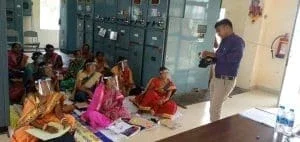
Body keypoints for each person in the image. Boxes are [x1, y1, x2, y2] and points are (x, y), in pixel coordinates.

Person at [202, 19, 245, 122]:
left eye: (219, 30)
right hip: (216, 78)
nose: (218, 34)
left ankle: (215, 133)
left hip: (225, 80)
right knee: (213, 106)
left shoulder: (237, 42)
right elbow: (219, 57)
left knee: (214, 109)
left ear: (226, 27)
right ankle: (213, 128)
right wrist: (209, 59)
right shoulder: (224, 41)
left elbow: (233, 59)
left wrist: (212, 54)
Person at [11, 78, 76, 142]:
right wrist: (45, 127)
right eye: (44, 84)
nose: (47, 87)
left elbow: (58, 112)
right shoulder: (31, 100)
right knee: (23, 135)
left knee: (70, 119)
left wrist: (63, 120)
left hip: (49, 118)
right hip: (35, 122)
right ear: (37, 86)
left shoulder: (53, 95)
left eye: (48, 84)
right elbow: (29, 120)